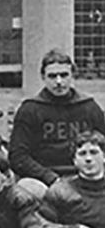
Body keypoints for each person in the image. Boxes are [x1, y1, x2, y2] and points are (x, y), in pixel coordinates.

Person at [9, 49, 105, 198]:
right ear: (43, 77)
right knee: (24, 189)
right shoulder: (30, 109)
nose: (59, 82)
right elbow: (18, 156)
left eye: (64, 75)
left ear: (72, 75)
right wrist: (49, 177)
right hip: (45, 180)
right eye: (52, 76)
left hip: (85, 176)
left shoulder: (89, 107)